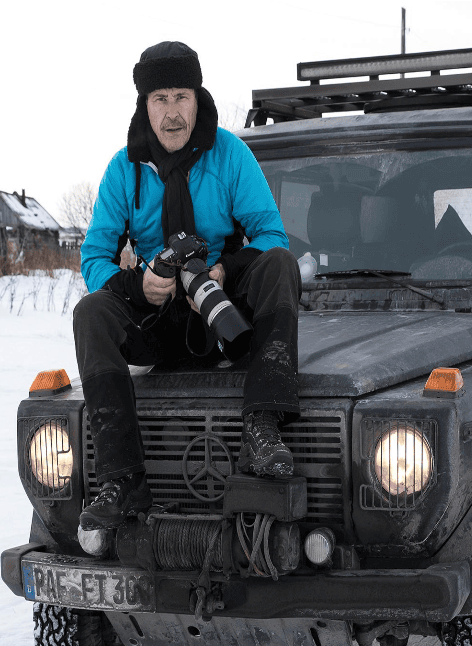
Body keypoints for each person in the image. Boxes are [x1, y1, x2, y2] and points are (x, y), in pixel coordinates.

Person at [73, 41, 301, 530]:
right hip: (157, 319)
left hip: (222, 315)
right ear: (144, 105)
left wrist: (224, 271)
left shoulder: (230, 155)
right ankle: (123, 481)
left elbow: (270, 234)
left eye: (181, 96)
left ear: (198, 98)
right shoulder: (123, 169)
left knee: (280, 262)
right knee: (91, 311)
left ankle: (262, 427)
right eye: (160, 99)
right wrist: (139, 288)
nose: (172, 113)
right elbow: (94, 255)